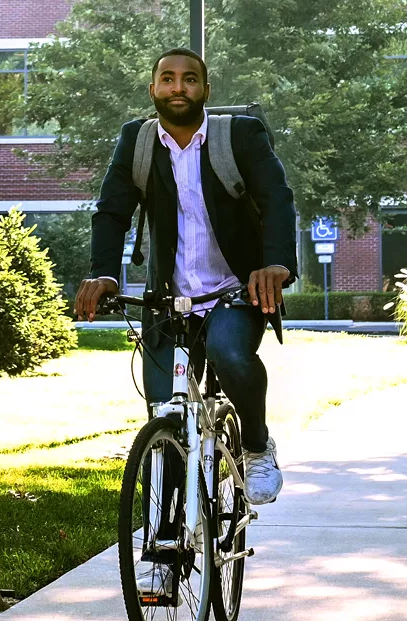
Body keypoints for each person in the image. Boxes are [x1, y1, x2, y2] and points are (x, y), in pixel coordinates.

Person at [74, 47, 298, 506]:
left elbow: (277, 198)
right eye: (169, 79)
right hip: (168, 299)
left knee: (228, 353)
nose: (179, 87)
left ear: (205, 90)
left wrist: (274, 263)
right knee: (165, 414)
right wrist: (104, 274)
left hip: (236, 290)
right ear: (153, 88)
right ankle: (169, 538)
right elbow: (112, 211)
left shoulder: (240, 136)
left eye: (190, 79)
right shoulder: (136, 142)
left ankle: (256, 446)